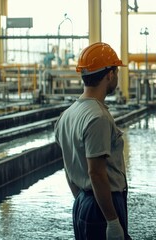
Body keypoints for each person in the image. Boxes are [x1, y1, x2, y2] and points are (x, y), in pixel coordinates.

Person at [54, 42, 131, 240]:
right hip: (103, 206)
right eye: (116, 71)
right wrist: (112, 221)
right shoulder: (98, 117)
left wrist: (82, 201)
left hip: (84, 201)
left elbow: (68, 166)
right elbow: (96, 173)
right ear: (110, 75)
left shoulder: (68, 115)